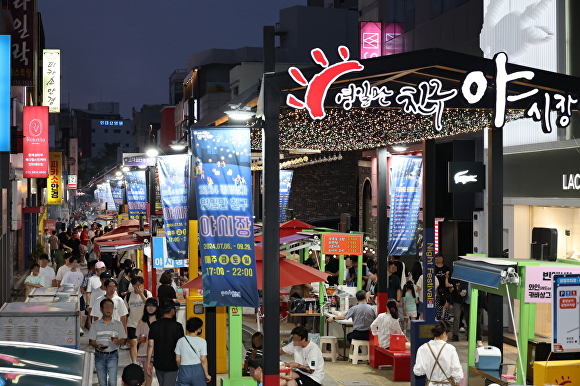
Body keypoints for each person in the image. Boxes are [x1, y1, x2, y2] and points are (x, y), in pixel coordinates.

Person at [88, 298, 128, 386]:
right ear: (101, 309)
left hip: (113, 355)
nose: (109, 310)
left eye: (111, 307)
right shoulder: (95, 324)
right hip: (99, 355)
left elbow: (124, 340)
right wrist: (97, 345)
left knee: (112, 382)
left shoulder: (118, 324)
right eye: (106, 307)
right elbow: (91, 341)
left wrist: (118, 341)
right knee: (102, 383)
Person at [146, 299, 184, 386]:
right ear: (172, 311)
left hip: (159, 363)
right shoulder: (177, 326)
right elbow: (181, 347)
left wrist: (149, 363)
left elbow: (150, 345)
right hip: (172, 363)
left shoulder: (154, 325)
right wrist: (180, 363)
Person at [413, 320, 463, 386]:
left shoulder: (423, 348)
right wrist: (457, 381)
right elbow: (457, 371)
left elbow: (418, 371)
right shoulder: (450, 349)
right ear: (444, 333)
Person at [175, 317, 211, 386]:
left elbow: (177, 359)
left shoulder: (180, 340)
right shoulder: (202, 341)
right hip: (197, 370)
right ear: (198, 329)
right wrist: (206, 374)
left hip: (184, 370)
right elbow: (203, 360)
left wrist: (182, 368)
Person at [125, 275, 152, 362]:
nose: (138, 287)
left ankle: (142, 360)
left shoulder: (147, 294)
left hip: (144, 324)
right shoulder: (128, 296)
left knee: (143, 343)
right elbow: (125, 312)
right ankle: (134, 363)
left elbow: (150, 305)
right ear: (132, 285)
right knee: (133, 342)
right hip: (132, 323)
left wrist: (141, 294)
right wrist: (125, 327)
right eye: (136, 285)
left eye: (140, 284)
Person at [136, 298, 158, 386]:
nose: (151, 308)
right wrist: (139, 339)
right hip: (144, 350)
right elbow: (137, 337)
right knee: (147, 374)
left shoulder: (159, 320)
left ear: (157, 307)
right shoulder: (142, 321)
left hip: (157, 351)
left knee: (160, 374)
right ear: (145, 307)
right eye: (148, 305)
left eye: (153, 306)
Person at [434, 253, 451, 321]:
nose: (438, 259)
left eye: (440, 257)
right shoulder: (433, 268)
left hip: (445, 290)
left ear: (443, 258)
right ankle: (438, 319)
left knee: (445, 307)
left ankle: (445, 320)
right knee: (437, 307)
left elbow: (450, 280)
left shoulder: (446, 268)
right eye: (437, 257)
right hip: (435, 290)